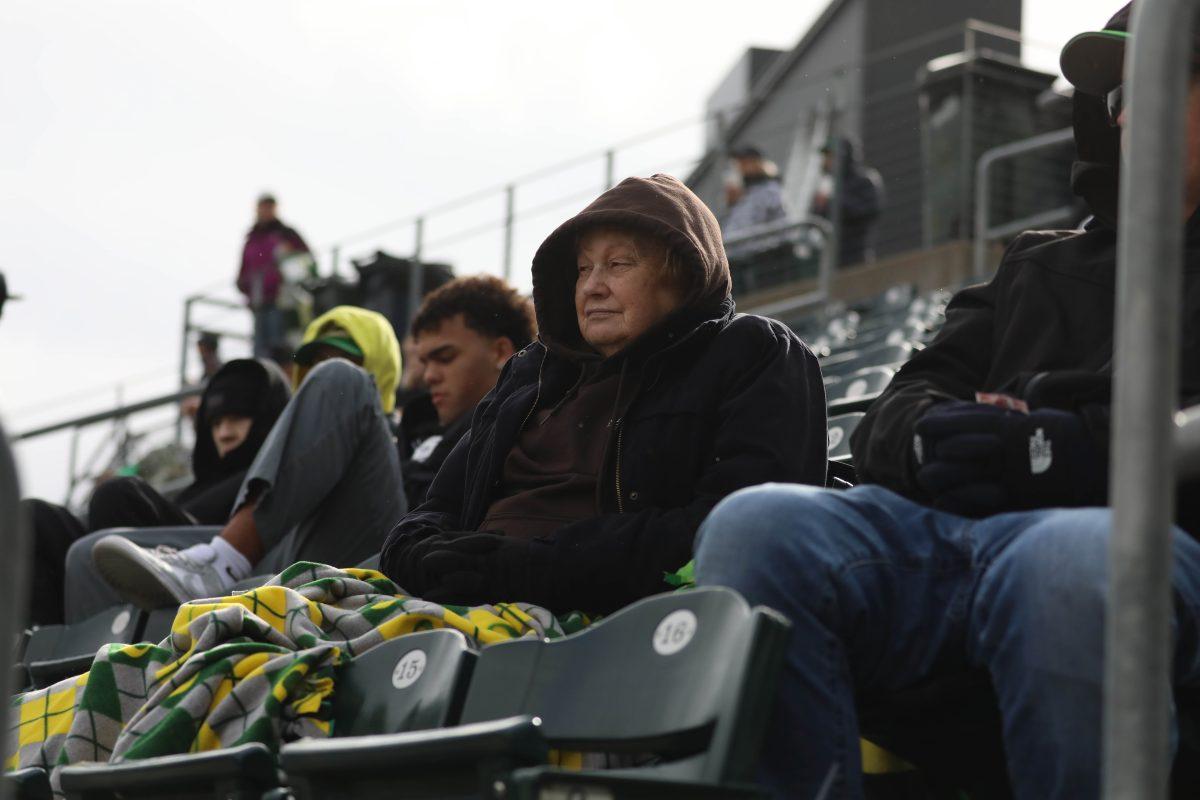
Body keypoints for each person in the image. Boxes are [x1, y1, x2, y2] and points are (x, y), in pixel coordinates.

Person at [693, 5, 1200, 797]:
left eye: (1160, 81)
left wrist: (1060, 447)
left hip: (1142, 542)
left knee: (1064, 559)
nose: (1128, 111)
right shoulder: (1037, 261)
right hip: (959, 535)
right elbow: (904, 398)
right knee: (759, 525)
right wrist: (934, 438)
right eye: (1117, 97)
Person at [381, 174, 828, 616]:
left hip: (602, 624)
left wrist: (528, 568)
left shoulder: (753, 352)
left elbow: (735, 526)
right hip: (456, 599)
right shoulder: (531, 372)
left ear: (684, 277)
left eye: (619, 265)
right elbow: (434, 509)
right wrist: (424, 558)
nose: (593, 285)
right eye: (583, 269)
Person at [80, 305, 405, 613]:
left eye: (344, 357)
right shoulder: (289, 459)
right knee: (87, 554)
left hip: (365, 556)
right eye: (315, 365)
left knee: (342, 380)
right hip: (284, 555)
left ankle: (221, 562)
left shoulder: (404, 435)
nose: (321, 375)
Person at [22, 358, 290, 625]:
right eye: (216, 423)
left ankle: (119, 632)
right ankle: (36, 650)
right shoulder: (202, 486)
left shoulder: (277, 477)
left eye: (237, 419)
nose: (224, 433)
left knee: (116, 496)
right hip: (165, 549)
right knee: (33, 518)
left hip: (218, 565)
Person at [400, 275, 537, 508]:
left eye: (445, 358)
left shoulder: (534, 440)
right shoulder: (415, 430)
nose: (429, 376)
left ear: (500, 352)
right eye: (425, 362)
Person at [237, 193, 310, 361]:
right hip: (258, 300)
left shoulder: (286, 234)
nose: (267, 211)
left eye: (270, 207)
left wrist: (290, 256)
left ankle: (280, 373)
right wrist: (244, 286)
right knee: (259, 346)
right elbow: (243, 270)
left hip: (282, 299)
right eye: (264, 206)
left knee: (278, 344)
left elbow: (306, 259)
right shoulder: (251, 238)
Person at [812, 136, 884, 267]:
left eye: (830, 157)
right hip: (833, 258)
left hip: (858, 252)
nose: (826, 162)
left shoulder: (865, 180)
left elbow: (868, 210)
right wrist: (820, 206)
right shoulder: (829, 185)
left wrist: (832, 202)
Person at [721, 144, 787, 241]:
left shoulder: (769, 191)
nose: (739, 167)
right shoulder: (743, 196)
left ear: (757, 163)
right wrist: (731, 205)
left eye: (744, 162)